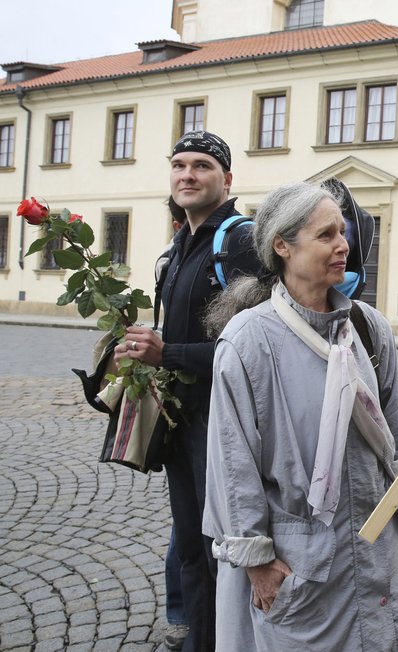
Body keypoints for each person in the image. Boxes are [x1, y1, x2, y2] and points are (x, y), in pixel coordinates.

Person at [200, 182, 398, 650]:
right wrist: (257, 560)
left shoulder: (368, 328)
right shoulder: (249, 341)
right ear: (282, 245)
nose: (344, 245)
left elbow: (392, 440)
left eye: (343, 232)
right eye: (326, 235)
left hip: (374, 554)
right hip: (300, 563)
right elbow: (232, 464)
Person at [115, 130, 261, 651]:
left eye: (202, 165)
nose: (188, 174)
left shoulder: (241, 242)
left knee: (219, 546)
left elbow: (252, 351)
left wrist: (168, 354)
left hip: (223, 425)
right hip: (184, 421)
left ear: (227, 178)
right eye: (179, 165)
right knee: (192, 552)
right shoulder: (182, 244)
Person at [158, 196, 190, 652]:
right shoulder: (170, 257)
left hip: (200, 401)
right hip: (180, 407)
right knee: (185, 525)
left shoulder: (229, 241)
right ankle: (182, 614)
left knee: (190, 524)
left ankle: (187, 617)